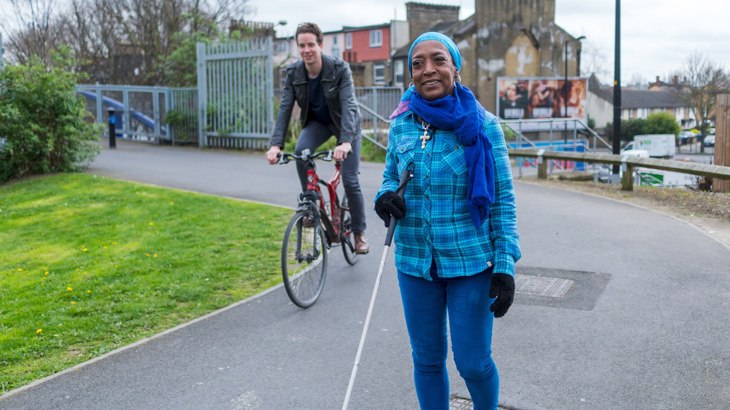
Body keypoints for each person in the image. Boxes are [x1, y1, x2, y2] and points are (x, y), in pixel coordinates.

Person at [374, 32, 521, 409]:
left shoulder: (484, 126)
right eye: (418, 64)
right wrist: (385, 198)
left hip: (470, 262)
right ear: (411, 75)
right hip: (413, 261)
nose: (428, 70)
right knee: (426, 360)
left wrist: (505, 266)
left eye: (438, 60)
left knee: (472, 363)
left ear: (455, 67)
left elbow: (503, 202)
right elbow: (391, 176)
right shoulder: (402, 123)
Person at [266, 22, 368, 254]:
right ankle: (310, 205)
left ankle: (360, 233)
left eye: (311, 44)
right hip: (318, 124)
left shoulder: (340, 69)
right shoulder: (294, 73)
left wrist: (345, 141)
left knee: (350, 180)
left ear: (321, 45)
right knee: (302, 152)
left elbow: (349, 105)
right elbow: (284, 108)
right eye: (302, 45)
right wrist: (275, 145)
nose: (306, 50)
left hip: (346, 125)